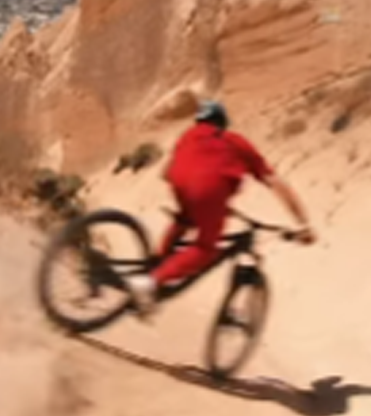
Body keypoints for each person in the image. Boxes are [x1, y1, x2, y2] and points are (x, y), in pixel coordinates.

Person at [128, 99, 316, 316]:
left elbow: (165, 173)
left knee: (185, 218)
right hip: (209, 190)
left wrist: (202, 198)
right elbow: (275, 183)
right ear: (222, 122)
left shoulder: (187, 136)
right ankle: (150, 283)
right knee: (206, 248)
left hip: (180, 184)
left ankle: (156, 264)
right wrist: (304, 223)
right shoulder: (235, 142)